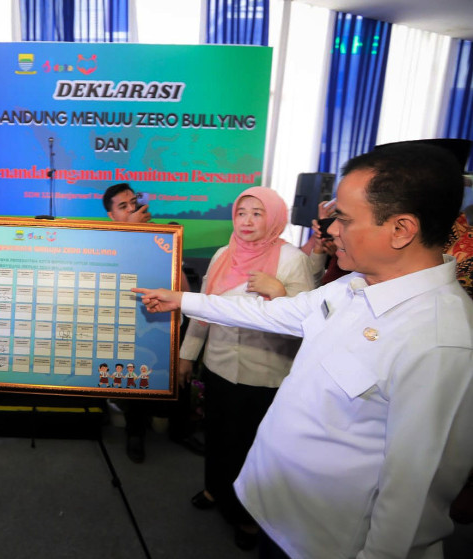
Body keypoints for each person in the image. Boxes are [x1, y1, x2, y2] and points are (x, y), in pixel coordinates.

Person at [134, 143, 473, 558]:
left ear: (401, 229)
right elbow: (268, 312)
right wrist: (181, 300)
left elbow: (413, 501)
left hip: (326, 542)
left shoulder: (441, 341)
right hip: (279, 513)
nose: (331, 231)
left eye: (343, 219)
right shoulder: (351, 287)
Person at [178, 186, 314, 550]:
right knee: (217, 435)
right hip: (219, 365)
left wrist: (279, 292)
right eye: (241, 213)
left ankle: (248, 518)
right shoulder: (223, 254)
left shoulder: (291, 260)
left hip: (266, 372)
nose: (247, 221)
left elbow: (307, 321)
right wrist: (188, 355)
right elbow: (204, 309)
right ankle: (214, 488)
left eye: (257, 213)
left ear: (274, 218)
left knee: (253, 447)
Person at [102, 182, 195, 463]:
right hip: (132, 324)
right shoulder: (107, 243)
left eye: (134, 202)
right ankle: (135, 433)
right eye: (123, 206)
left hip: (169, 321)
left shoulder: (162, 236)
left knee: (180, 377)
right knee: (136, 377)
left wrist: (170, 249)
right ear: (112, 216)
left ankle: (181, 430)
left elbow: (186, 291)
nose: (132, 209)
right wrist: (132, 234)